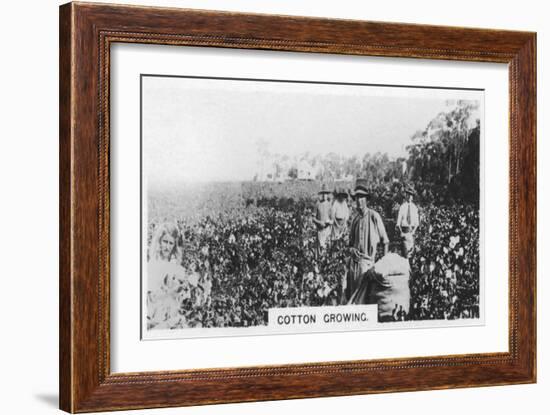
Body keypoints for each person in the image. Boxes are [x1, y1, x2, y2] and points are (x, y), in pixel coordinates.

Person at [346, 179, 389, 302]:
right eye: (357, 197)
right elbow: (349, 245)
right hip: (354, 267)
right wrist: (352, 250)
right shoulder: (355, 220)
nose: (359, 201)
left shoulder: (374, 217)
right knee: (354, 302)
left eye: (362, 197)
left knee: (365, 302)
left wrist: (382, 265)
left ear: (366, 199)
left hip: (368, 266)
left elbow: (385, 241)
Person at [396, 184, 419, 258]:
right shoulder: (402, 207)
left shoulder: (414, 208)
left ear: (412, 197)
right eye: (408, 195)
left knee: (411, 254)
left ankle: (411, 269)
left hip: (411, 233)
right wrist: (401, 233)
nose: (409, 197)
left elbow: (417, 223)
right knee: (405, 255)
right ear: (406, 196)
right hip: (404, 233)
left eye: (411, 195)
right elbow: (398, 223)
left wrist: (413, 232)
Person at [312, 183, 333, 256]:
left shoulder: (330, 205)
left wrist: (329, 222)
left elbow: (332, 219)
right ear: (321, 194)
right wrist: (319, 222)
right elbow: (313, 218)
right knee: (319, 251)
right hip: (320, 231)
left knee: (326, 250)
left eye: (326, 193)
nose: (324, 195)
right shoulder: (317, 204)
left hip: (327, 231)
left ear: (328, 195)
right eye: (323, 193)